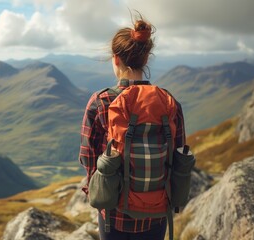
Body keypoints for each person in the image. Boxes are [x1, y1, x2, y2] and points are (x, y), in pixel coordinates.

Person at [78, 14, 186, 240]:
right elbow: (179, 153)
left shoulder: (101, 101)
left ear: (115, 59)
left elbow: (88, 157)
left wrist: (97, 193)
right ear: (146, 59)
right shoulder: (168, 103)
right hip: (157, 212)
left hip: (114, 212)